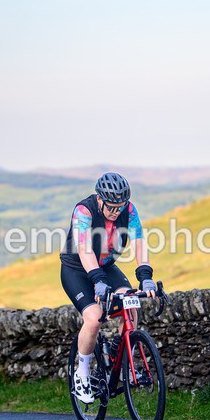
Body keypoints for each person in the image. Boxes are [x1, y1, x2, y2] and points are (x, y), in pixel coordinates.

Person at [60, 172, 157, 404]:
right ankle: (82, 373)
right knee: (95, 318)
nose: (116, 211)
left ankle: (121, 360)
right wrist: (97, 281)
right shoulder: (84, 211)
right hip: (76, 270)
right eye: (111, 207)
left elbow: (139, 242)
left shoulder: (129, 210)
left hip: (106, 266)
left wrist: (145, 276)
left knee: (130, 304)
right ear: (100, 199)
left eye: (120, 207)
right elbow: (85, 249)